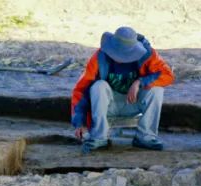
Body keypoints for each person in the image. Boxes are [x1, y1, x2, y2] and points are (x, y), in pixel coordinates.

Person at [70, 26, 174, 154]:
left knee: (157, 90)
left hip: (134, 104)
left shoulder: (147, 54)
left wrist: (140, 82)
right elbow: (81, 90)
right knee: (99, 86)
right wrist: (80, 123)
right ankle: (99, 137)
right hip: (108, 105)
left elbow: (167, 75)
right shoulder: (100, 57)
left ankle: (145, 137)